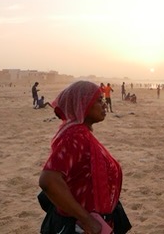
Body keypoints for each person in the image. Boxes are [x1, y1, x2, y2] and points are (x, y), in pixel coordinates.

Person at [38, 81, 131, 234]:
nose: (104, 105)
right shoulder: (74, 136)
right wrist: (88, 220)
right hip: (81, 226)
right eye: (99, 100)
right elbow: (48, 180)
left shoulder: (82, 134)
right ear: (83, 104)